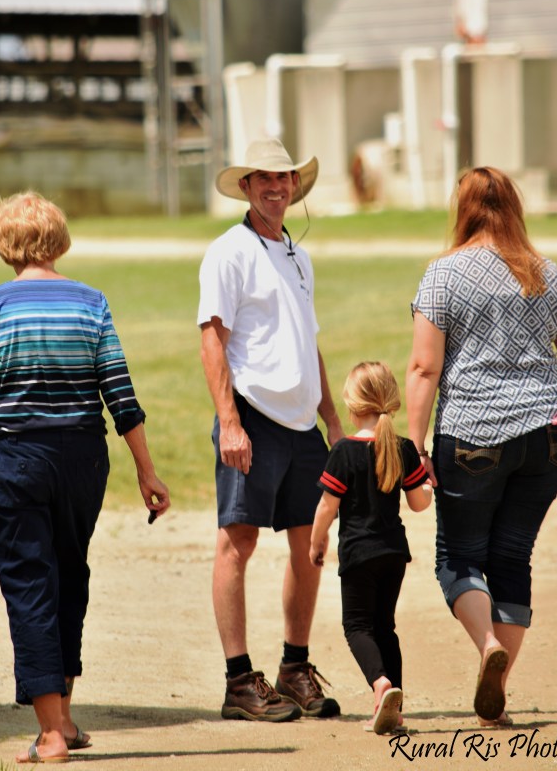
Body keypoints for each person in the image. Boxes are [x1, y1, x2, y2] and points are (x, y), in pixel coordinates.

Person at [0, 191, 170, 765]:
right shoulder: (92, 302)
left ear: (6, 245)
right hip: (82, 459)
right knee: (69, 576)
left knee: (29, 585)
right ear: (58, 240)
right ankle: (62, 715)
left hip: (15, 459)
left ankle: (52, 737)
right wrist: (146, 470)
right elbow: (120, 393)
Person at [406, 166, 557, 727]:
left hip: (473, 435)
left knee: (459, 557)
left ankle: (487, 642)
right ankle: (499, 691)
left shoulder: (443, 276)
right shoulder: (547, 274)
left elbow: (423, 367)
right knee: (513, 556)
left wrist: (414, 445)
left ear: (462, 209)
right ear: (514, 207)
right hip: (551, 435)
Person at [198, 138, 344, 722]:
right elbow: (212, 338)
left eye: (283, 177)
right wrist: (230, 422)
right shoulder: (228, 251)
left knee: (309, 547)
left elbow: (309, 344)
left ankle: (293, 669)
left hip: (303, 423)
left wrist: (332, 416)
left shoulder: (297, 255)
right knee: (239, 541)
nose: (276, 187)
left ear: (294, 186)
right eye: (263, 178)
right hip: (252, 416)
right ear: (246, 187)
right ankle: (239, 682)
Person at [309, 361, 432, 735]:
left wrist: (317, 543)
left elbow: (327, 507)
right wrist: (428, 485)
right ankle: (392, 706)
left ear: (351, 403)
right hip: (394, 554)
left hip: (359, 555)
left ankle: (380, 685)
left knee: (357, 626)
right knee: (385, 627)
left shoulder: (343, 452)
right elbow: (419, 503)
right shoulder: (403, 448)